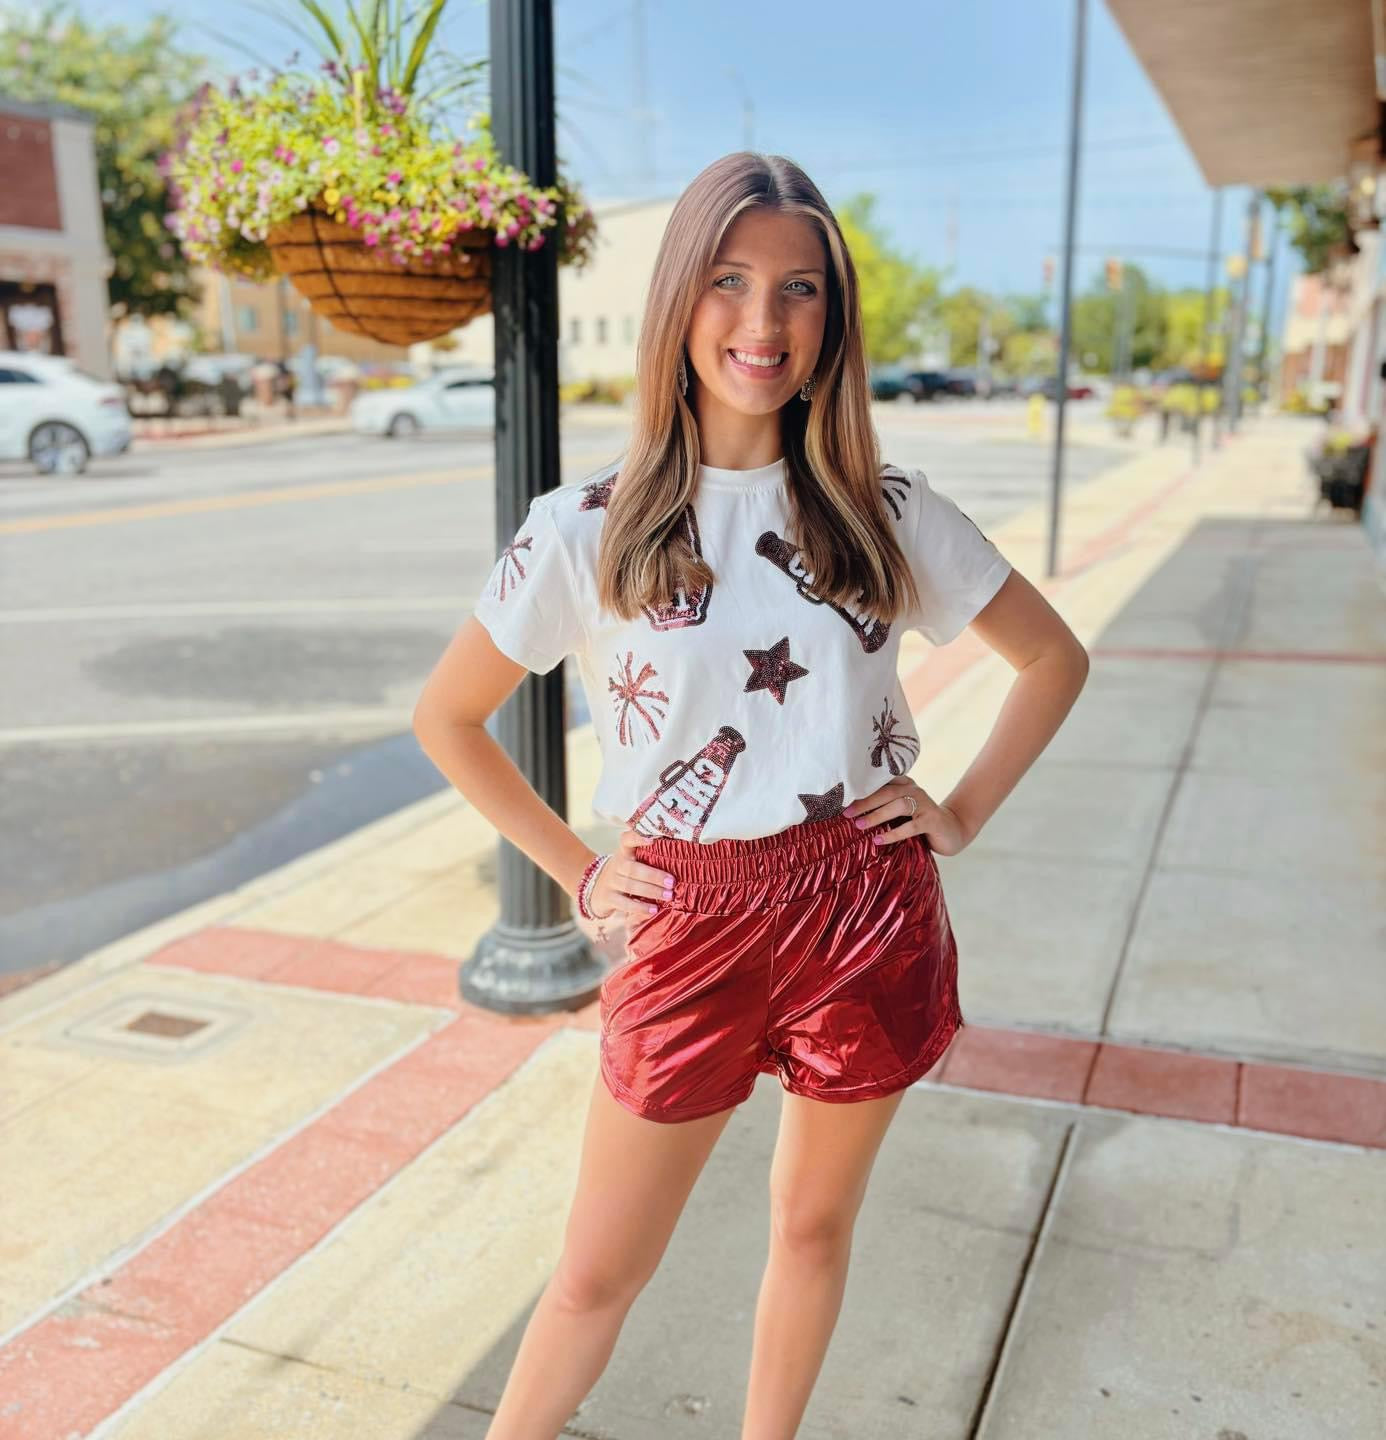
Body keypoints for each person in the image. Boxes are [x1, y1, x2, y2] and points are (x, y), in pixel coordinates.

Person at [412, 152, 1089, 1439]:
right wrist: (580, 867)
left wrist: (963, 809)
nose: (763, 323)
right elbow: (446, 717)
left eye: (799, 289)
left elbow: (1054, 658)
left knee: (812, 1224)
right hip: (689, 915)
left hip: (864, 905)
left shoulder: (888, 513)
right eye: (728, 281)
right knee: (597, 1275)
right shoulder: (587, 527)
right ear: (679, 298)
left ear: (834, 318)